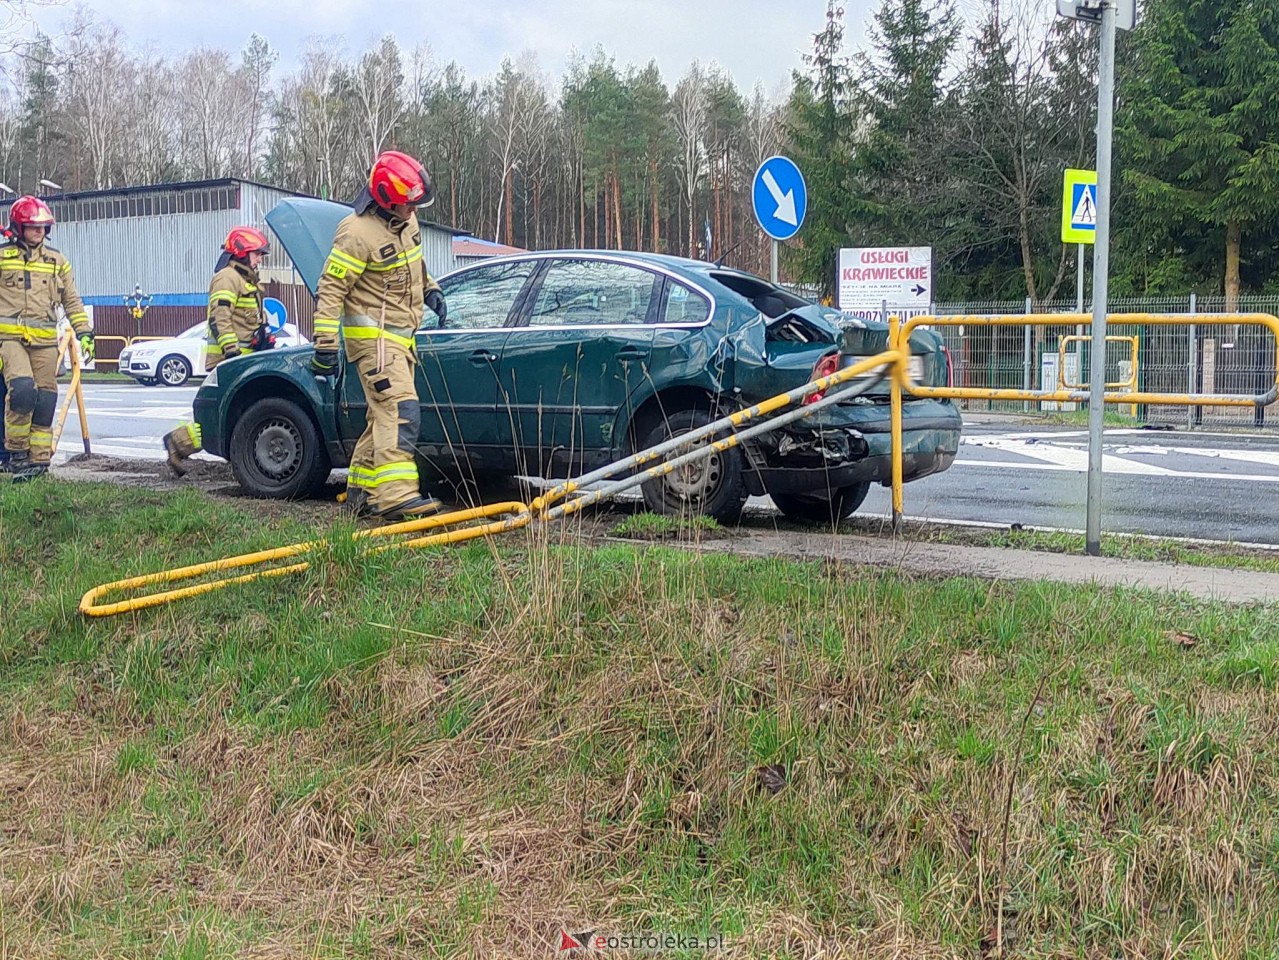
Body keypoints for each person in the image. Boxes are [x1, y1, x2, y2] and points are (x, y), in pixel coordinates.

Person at [310, 149, 447, 520]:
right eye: (408, 204)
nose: (415, 211)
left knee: (381, 418)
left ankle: (362, 493)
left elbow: (414, 263)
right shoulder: (356, 234)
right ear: (387, 200)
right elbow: (331, 289)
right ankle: (397, 497)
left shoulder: (407, 223)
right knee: (401, 410)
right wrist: (325, 344)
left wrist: (430, 288)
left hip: (401, 343)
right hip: (374, 344)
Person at [163, 226, 273, 475]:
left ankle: (242, 461)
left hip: (245, 357)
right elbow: (219, 317)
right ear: (242, 253)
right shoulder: (227, 277)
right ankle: (177, 443)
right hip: (229, 359)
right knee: (221, 415)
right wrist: (231, 351)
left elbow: (249, 318)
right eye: (257, 254)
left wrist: (264, 337)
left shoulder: (247, 279)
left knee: (242, 412)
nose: (259, 259)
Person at [0, 196, 92, 482]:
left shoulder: (57, 261)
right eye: (32, 226)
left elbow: (72, 300)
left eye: (43, 226)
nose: (38, 231)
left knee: (46, 399)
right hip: (10, 340)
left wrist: (85, 332)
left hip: (44, 343)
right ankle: (16, 455)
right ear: (18, 226)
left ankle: (38, 461)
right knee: (23, 391)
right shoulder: (2, 257)